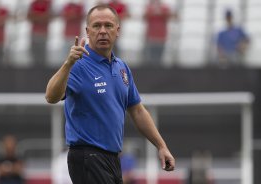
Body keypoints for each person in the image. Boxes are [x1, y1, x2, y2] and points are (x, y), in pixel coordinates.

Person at [45, 5, 175, 184]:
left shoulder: (121, 67)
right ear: (87, 31)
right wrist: (68, 64)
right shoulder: (78, 64)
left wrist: (161, 146)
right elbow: (50, 97)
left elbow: (137, 110)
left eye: (108, 25)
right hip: (87, 157)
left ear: (117, 30)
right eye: (97, 26)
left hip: (112, 159)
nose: (103, 31)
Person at [143, 0, 171, 66]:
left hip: (161, 36)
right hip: (151, 36)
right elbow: (145, 16)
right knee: (151, 55)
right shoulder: (149, 7)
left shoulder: (165, 8)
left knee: (159, 55)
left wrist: (158, 12)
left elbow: (168, 16)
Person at [27, 0, 53, 67]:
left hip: (43, 33)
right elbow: (29, 16)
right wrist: (41, 16)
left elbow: (49, 16)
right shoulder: (33, 3)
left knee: (42, 55)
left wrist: (37, 16)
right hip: (34, 33)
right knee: (34, 54)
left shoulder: (48, 3)